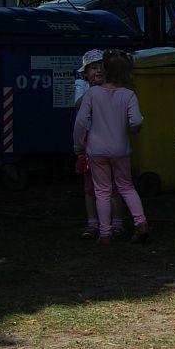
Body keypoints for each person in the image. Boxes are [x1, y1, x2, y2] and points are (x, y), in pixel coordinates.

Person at [73, 49, 149, 244]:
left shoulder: (92, 94)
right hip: (120, 148)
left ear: (105, 69)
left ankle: (105, 233)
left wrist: (78, 144)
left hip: (96, 149)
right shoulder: (129, 95)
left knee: (102, 191)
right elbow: (136, 121)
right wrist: (135, 129)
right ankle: (140, 222)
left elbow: (81, 121)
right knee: (126, 187)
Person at [74, 48, 125, 239]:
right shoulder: (82, 86)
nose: (98, 70)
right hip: (88, 140)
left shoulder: (113, 88)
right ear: (85, 73)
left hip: (110, 140)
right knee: (89, 187)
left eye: (101, 66)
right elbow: (78, 105)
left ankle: (117, 222)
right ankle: (92, 223)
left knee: (114, 185)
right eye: (93, 68)